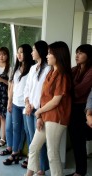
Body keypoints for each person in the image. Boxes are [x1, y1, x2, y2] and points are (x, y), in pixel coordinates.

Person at [25, 41, 72, 176]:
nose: (47, 56)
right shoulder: (51, 73)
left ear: (58, 55)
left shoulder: (62, 75)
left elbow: (56, 101)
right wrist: (40, 116)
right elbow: (43, 98)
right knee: (34, 147)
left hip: (56, 118)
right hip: (46, 116)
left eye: (50, 53)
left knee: (52, 152)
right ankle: (30, 173)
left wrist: (38, 112)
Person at [2, 44, 34, 165]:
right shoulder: (16, 68)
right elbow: (12, 87)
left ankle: (30, 157)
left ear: (27, 53)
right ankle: (15, 153)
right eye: (17, 52)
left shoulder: (32, 68)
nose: (19, 55)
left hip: (27, 105)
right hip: (15, 103)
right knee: (16, 129)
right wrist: (9, 102)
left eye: (21, 52)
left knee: (27, 131)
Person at [22, 40, 50, 173]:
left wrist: (34, 105)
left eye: (34, 50)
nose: (32, 52)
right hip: (29, 108)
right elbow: (27, 88)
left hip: (40, 109)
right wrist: (27, 103)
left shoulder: (49, 69)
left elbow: (44, 92)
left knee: (39, 141)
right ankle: (34, 167)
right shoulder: (33, 68)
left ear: (40, 51)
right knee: (32, 138)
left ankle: (42, 169)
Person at [67, 44, 92, 176]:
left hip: (84, 109)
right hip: (73, 108)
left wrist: (68, 88)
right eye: (76, 53)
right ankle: (79, 171)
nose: (77, 56)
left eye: (81, 53)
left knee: (80, 141)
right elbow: (65, 83)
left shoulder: (91, 71)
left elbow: (80, 90)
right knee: (76, 141)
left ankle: (80, 172)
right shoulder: (74, 69)